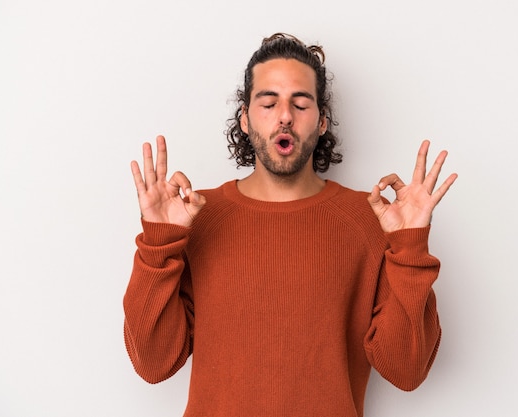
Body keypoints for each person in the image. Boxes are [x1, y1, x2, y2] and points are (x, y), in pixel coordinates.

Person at [123, 33, 457, 417]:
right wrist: (159, 242)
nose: (285, 115)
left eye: (300, 103)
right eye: (268, 102)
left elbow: (407, 370)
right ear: (245, 120)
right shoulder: (195, 216)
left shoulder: (371, 219)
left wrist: (409, 246)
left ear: (321, 123)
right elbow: (153, 364)